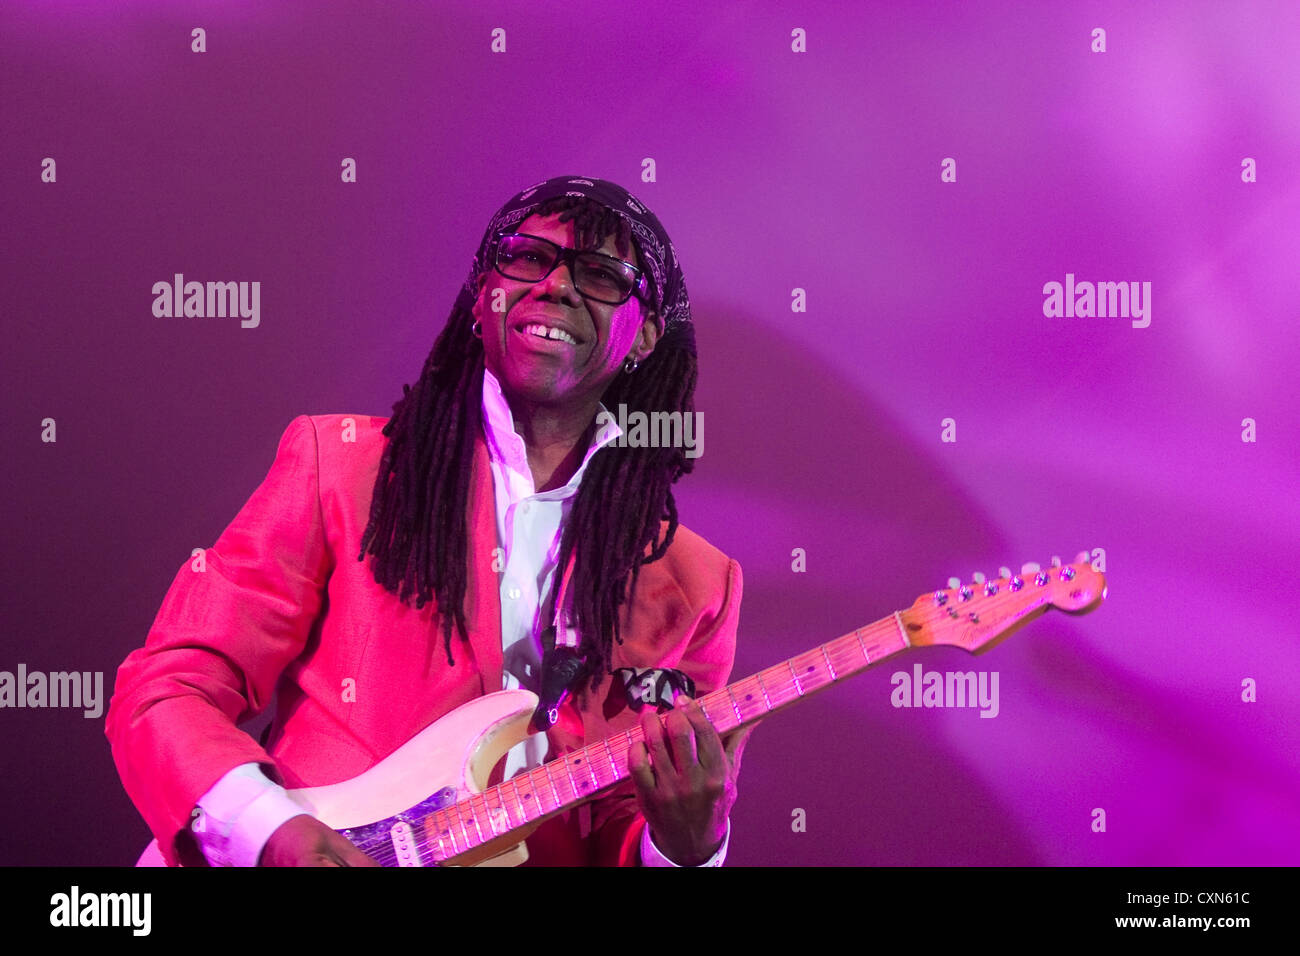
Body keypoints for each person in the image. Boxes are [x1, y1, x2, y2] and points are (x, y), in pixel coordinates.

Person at [106, 175, 754, 867]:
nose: (557, 285)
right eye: (529, 257)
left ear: (646, 336)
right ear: (483, 297)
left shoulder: (698, 585)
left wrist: (688, 847)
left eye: (601, 274)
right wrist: (272, 832)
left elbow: (628, 819)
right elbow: (172, 684)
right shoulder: (343, 467)